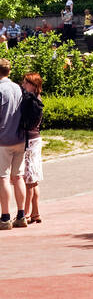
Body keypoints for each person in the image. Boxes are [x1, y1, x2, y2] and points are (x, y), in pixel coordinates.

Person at [0, 58, 27, 229]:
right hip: (20, 138)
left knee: (3, 177)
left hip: (3, 139)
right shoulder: (17, 88)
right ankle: (21, 214)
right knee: (18, 177)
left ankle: (5, 217)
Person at [20, 72, 44, 224]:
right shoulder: (38, 100)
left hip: (29, 140)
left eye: (25, 83)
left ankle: (27, 212)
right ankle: (36, 212)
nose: (23, 85)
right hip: (36, 139)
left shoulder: (31, 101)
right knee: (33, 179)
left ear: (34, 86)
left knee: (28, 179)